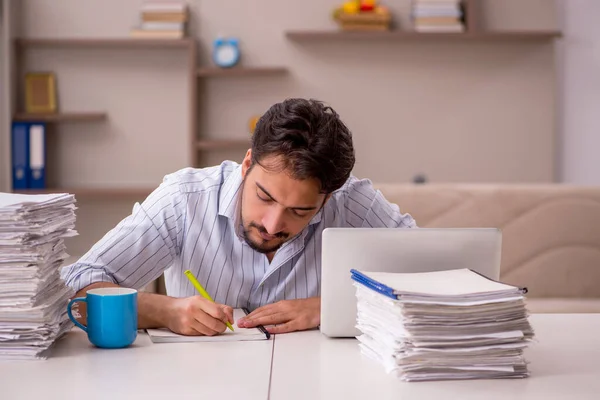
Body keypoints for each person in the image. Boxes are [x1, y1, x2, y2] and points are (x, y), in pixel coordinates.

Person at [61, 98, 416, 336]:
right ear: (247, 164)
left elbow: (440, 281)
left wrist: (330, 306)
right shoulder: (184, 200)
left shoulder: (353, 202)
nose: (273, 224)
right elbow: (75, 288)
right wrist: (162, 311)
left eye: (300, 211)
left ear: (328, 198)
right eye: (265, 196)